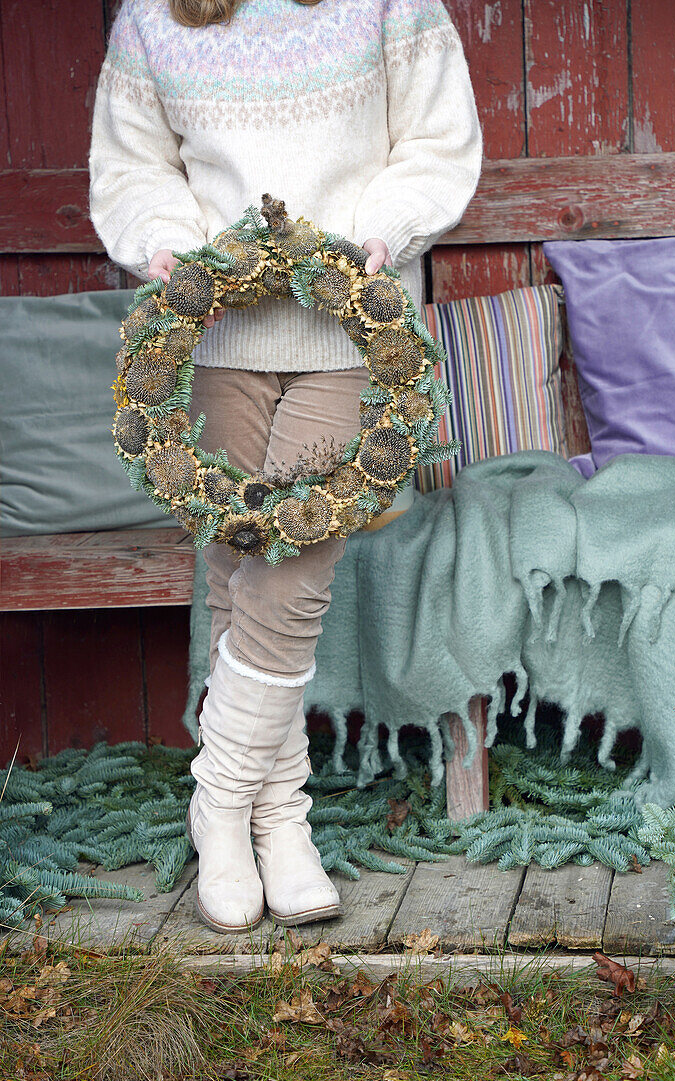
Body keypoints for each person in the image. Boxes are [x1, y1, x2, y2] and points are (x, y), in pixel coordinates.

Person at [88, 0, 482, 934]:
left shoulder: (392, 5)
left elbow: (433, 140)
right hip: (218, 333)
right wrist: (175, 250)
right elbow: (131, 162)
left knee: (295, 567)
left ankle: (223, 803)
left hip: (351, 327)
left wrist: (377, 234)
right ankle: (275, 823)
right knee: (237, 567)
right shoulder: (155, 19)